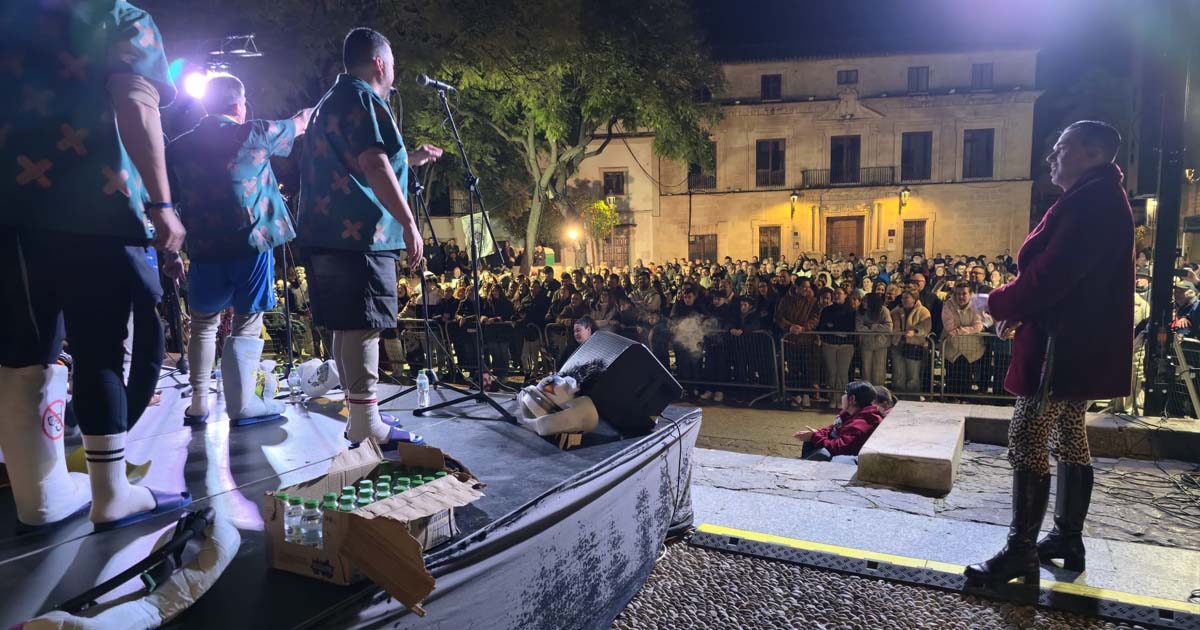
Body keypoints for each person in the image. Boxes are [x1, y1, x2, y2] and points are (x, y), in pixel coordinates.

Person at [0, 0, 192, 529]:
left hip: (10, 215)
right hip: (97, 208)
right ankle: (111, 494)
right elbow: (135, 101)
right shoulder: (117, 15)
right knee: (100, 348)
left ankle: (38, 502)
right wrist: (162, 204)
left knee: (23, 357)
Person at [966, 121, 1133, 588]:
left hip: (1061, 349)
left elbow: (1052, 276)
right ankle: (1065, 538)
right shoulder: (1098, 197)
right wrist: (1020, 310)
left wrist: (994, 302)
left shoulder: (1092, 203)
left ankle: (1021, 552)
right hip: (1074, 341)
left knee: (1025, 436)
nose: (1052, 157)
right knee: (1070, 436)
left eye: (1061, 148)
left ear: (1091, 152)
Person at [297, 28, 442, 449]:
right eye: (392, 60)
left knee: (347, 326)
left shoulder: (332, 101)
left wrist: (411, 159)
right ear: (379, 62)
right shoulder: (363, 97)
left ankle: (360, 417)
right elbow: (374, 166)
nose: (394, 68)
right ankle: (367, 424)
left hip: (327, 233)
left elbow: (362, 162)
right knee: (365, 325)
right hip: (360, 235)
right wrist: (409, 222)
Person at [168, 75, 312, 424]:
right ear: (238, 105)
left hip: (202, 247)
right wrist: (314, 111)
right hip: (251, 242)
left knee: (203, 325)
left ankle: (199, 402)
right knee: (246, 324)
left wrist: (171, 253)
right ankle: (242, 404)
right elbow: (301, 123)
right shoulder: (253, 133)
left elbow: (165, 201)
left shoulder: (178, 147)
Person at [792, 381, 883, 461]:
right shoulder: (852, 414)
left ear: (852, 399)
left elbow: (839, 447)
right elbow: (833, 428)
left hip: (850, 459)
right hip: (843, 450)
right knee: (811, 441)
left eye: (845, 394)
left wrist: (815, 437)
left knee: (821, 452)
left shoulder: (862, 423)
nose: (842, 397)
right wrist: (818, 433)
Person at [942, 282, 986, 397]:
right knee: (951, 380)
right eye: (958, 294)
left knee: (967, 381)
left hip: (971, 350)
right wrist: (967, 329)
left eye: (964, 294)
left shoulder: (976, 307)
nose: (961, 297)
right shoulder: (948, 305)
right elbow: (949, 327)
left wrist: (958, 331)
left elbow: (978, 327)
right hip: (952, 349)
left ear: (970, 294)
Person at [816, 288, 856, 408]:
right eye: (835, 294)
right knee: (832, 372)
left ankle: (842, 398)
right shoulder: (827, 310)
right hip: (829, 344)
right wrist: (836, 330)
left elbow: (850, 328)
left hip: (846, 346)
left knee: (842, 373)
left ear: (845, 295)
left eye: (839, 293)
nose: (837, 296)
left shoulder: (851, 311)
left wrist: (833, 327)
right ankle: (833, 397)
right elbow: (823, 326)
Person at [890, 290, 932, 394]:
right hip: (898, 344)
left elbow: (926, 326)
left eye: (906, 298)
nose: (903, 300)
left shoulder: (923, 311)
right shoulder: (896, 311)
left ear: (914, 299)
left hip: (914, 346)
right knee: (898, 374)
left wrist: (916, 331)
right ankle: (899, 396)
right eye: (902, 298)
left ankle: (912, 397)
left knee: (913, 375)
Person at [856, 293, 893, 388]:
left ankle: (878, 392)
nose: (863, 302)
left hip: (881, 345)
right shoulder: (860, 311)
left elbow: (888, 327)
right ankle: (867, 392)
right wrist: (875, 330)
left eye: (865, 301)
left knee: (879, 371)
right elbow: (859, 327)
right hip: (866, 344)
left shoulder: (884, 311)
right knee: (866, 371)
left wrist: (871, 327)